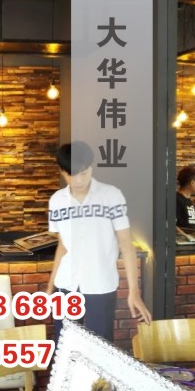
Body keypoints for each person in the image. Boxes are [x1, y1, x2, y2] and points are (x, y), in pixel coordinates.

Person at [46, 141, 151, 342]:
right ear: (62, 171)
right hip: (65, 284)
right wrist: (51, 286)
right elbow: (63, 245)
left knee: (101, 346)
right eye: (72, 174)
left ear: (91, 168)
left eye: (84, 173)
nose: (79, 180)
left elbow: (126, 246)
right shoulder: (57, 201)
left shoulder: (111, 196)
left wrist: (134, 291)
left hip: (101, 284)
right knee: (66, 346)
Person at [176, 166, 195, 235]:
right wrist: (187, 237)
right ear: (192, 183)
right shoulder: (177, 199)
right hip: (182, 240)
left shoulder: (188, 200)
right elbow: (172, 224)